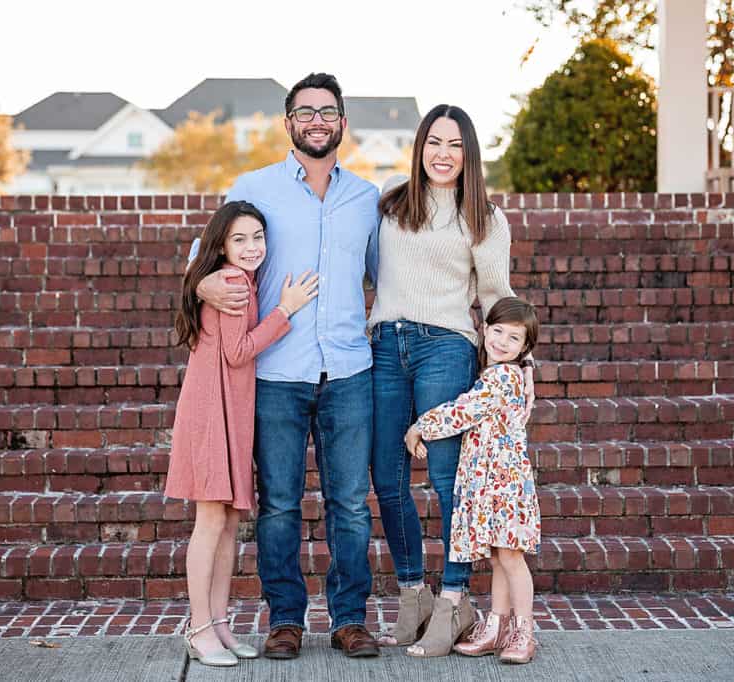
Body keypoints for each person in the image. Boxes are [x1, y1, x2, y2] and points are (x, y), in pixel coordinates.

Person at [194, 73, 381, 659]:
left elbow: (387, 277)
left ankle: (350, 619)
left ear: (343, 123)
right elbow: (209, 256)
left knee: (350, 503)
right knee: (278, 503)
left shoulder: (367, 199)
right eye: (306, 112)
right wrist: (203, 285)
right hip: (275, 372)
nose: (317, 120)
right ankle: (285, 622)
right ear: (289, 123)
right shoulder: (253, 188)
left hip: (350, 370)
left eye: (328, 111)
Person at [368, 104, 534, 657]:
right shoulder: (390, 198)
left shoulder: (484, 216)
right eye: (434, 142)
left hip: (446, 346)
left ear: (469, 154)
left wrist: (514, 370)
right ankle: (414, 592)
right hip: (386, 343)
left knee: (448, 481)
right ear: (419, 147)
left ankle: (455, 598)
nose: (442, 154)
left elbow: (495, 300)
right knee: (388, 476)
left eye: (455, 145)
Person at [166, 200, 319, 667]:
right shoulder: (233, 283)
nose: (252, 247)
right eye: (239, 239)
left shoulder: (232, 278)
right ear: (221, 245)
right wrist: (285, 310)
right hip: (214, 411)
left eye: (257, 237)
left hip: (228, 409)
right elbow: (238, 351)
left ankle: (219, 623)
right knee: (211, 522)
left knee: (229, 521)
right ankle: (198, 628)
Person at [404, 297, 541, 665]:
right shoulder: (493, 373)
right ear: (484, 328)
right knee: (498, 558)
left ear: (525, 349)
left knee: (511, 559)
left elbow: (463, 411)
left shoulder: (503, 377)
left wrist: (420, 426)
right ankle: (496, 626)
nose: (500, 341)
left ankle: (524, 631)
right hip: (490, 484)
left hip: (505, 485)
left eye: (513, 339)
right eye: (496, 331)